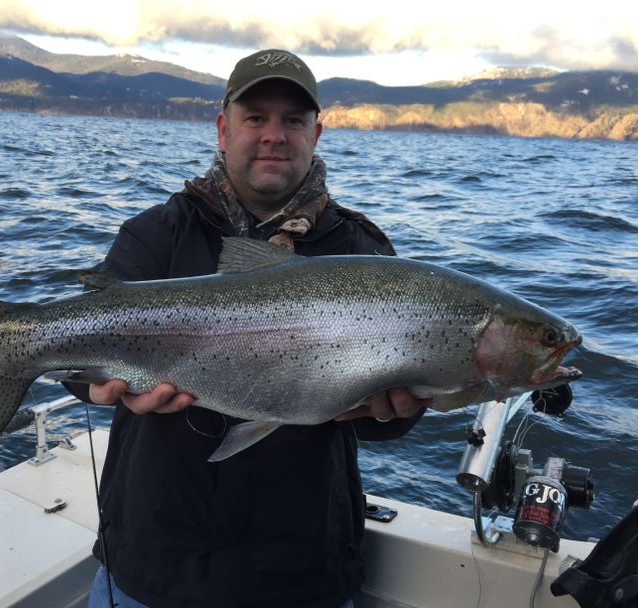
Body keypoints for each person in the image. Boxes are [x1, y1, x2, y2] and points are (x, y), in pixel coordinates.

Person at [76, 49, 429, 608]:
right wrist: (91, 385)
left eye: (293, 120)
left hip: (302, 570)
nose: (274, 135)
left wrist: (399, 410)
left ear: (317, 133)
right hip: (153, 562)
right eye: (256, 117)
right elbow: (83, 347)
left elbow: (383, 420)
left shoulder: (362, 252)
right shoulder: (155, 234)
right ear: (223, 129)